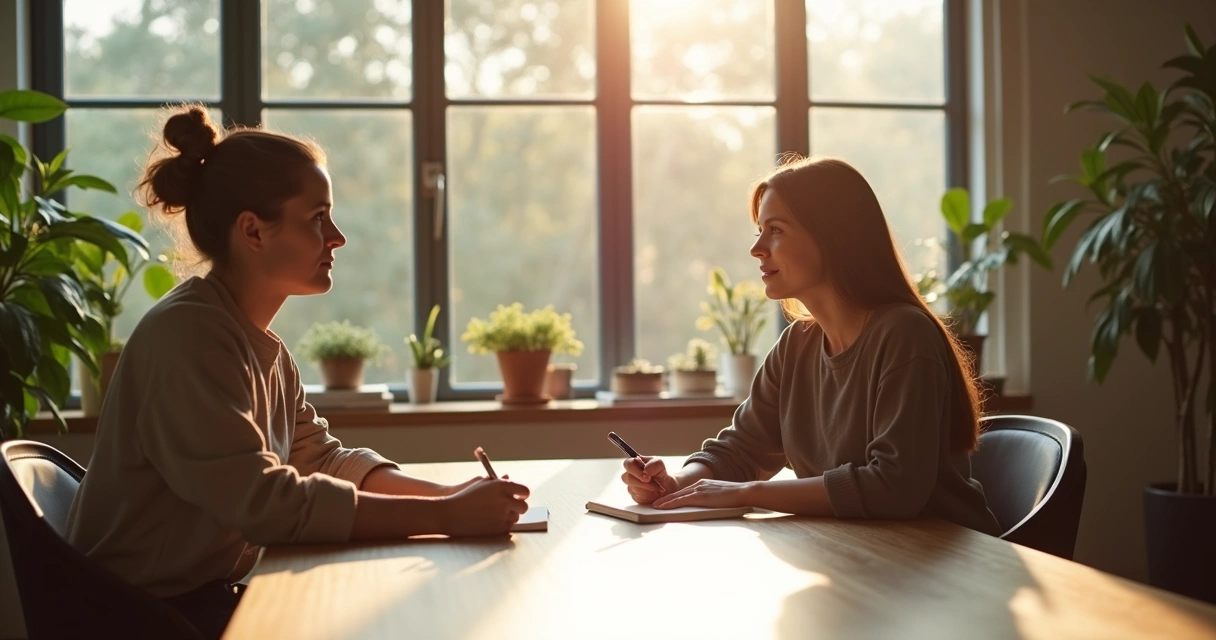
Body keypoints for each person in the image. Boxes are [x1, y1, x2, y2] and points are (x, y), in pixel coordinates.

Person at [65, 106, 530, 639]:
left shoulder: (256, 344)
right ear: (254, 232)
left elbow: (321, 460)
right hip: (142, 619)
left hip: (195, 600)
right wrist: (445, 520)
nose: (338, 237)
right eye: (317, 217)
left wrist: (446, 497)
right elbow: (265, 504)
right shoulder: (188, 340)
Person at [620, 156, 1001, 536]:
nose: (757, 248)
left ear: (832, 237)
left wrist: (746, 493)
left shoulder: (903, 334)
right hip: (861, 551)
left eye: (776, 230)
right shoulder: (796, 345)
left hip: (947, 562)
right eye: (759, 230)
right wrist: (678, 482)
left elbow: (894, 488)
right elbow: (742, 449)